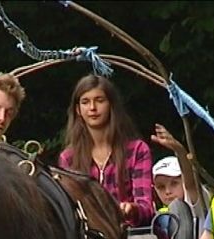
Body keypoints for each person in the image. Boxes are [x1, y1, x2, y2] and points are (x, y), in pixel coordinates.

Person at [58, 74, 154, 227]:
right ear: (78, 110)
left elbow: (146, 208)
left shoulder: (137, 150)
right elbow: (68, 209)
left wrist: (132, 209)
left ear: (111, 105)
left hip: (130, 235)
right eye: (85, 102)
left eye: (99, 100)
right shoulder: (68, 158)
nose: (92, 108)